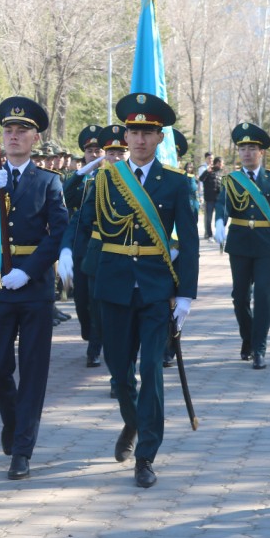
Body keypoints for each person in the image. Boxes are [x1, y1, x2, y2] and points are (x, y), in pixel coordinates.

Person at [60, 93, 198, 489]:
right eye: (134, 131)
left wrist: (185, 293)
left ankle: (146, 455)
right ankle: (133, 421)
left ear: (159, 138)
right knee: (120, 374)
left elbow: (187, 242)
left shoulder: (176, 183)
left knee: (152, 370)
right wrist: (68, 249)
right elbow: (81, 219)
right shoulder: (104, 178)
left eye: (147, 132)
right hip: (114, 284)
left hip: (156, 287)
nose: (139, 139)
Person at [0, 97, 68, 481]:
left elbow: (59, 232)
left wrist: (31, 270)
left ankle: (22, 449)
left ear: (35, 138)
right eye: (8, 130)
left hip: (33, 288)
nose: (13, 136)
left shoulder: (50, 182)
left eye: (22, 131)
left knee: (33, 370)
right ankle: (12, 414)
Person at [214, 122, 270, 370]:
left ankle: (259, 348)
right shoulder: (231, 180)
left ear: (261, 152)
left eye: (251, 148)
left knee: (263, 296)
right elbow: (222, 205)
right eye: (242, 148)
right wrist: (218, 222)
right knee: (239, 297)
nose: (246, 152)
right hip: (239, 245)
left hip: (266, 246)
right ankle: (248, 338)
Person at [61, 124, 105, 367]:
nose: (95, 154)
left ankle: (95, 348)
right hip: (81, 240)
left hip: (103, 243)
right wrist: (84, 171)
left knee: (97, 300)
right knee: (81, 301)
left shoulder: (113, 177)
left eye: (99, 150)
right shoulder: (82, 178)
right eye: (90, 151)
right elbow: (65, 195)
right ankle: (90, 334)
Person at [199, 157, 224, 241]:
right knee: (209, 218)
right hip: (209, 199)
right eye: (220, 163)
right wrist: (206, 171)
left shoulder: (221, 173)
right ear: (216, 163)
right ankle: (209, 235)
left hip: (218, 200)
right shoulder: (209, 171)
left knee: (219, 217)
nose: (222, 165)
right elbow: (201, 179)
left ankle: (218, 234)